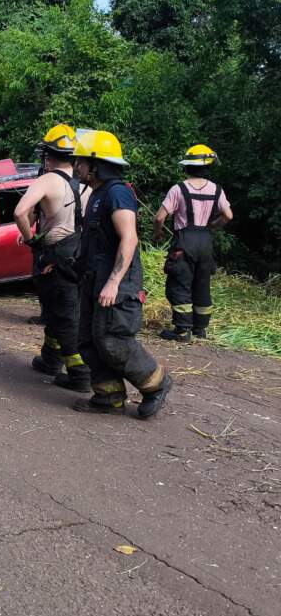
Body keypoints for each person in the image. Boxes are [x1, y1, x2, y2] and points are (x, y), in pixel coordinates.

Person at [72, 129, 172, 418]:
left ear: (96, 164)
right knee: (89, 341)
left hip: (117, 283)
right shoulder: (97, 193)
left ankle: (156, 384)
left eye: (80, 161)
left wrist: (114, 282)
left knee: (113, 340)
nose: (76, 166)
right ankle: (109, 395)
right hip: (94, 278)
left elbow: (129, 238)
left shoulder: (117, 193)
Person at [14, 125, 91, 393]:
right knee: (64, 308)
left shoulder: (47, 180)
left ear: (47, 154)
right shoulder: (87, 181)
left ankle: (80, 374)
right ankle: (51, 359)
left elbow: (20, 212)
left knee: (65, 313)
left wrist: (30, 240)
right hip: (81, 252)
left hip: (56, 254)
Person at [152, 145, 233, 342]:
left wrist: (157, 234)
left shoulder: (178, 189)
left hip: (184, 243)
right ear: (207, 168)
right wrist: (211, 227)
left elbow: (159, 217)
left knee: (180, 284)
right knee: (202, 284)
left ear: (186, 167)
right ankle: (200, 329)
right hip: (205, 242)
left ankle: (182, 331)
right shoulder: (217, 189)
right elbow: (228, 216)